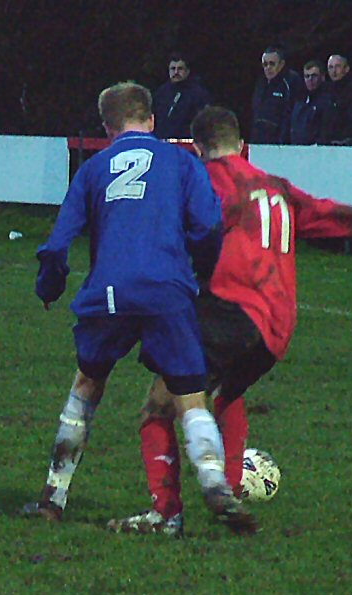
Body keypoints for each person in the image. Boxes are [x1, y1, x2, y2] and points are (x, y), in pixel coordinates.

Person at [108, 105, 352, 537]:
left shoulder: (208, 180)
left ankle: (167, 512)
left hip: (231, 311)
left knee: (158, 405)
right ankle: (233, 485)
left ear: (200, 148)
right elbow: (328, 215)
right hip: (278, 329)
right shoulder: (277, 187)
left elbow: (186, 233)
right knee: (225, 396)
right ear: (242, 144)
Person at [22, 82, 251, 530]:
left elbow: (57, 243)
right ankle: (215, 486)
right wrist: (201, 271)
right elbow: (208, 225)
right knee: (188, 390)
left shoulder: (93, 169)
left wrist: (49, 286)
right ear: (151, 121)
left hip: (108, 291)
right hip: (166, 288)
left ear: (108, 128)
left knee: (87, 384)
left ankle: (54, 496)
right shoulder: (182, 162)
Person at [250, 46, 304, 144]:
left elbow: (292, 113)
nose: (268, 68)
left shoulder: (290, 81)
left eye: (272, 64)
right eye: (265, 64)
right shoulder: (261, 83)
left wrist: (284, 140)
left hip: (280, 141)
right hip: (259, 139)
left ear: (281, 64)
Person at [153, 51, 211, 139]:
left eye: (180, 69)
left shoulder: (198, 94)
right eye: (173, 69)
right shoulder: (161, 93)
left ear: (187, 71)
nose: (176, 72)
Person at [290, 59, 333, 145]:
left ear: (322, 77)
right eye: (307, 76)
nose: (310, 79)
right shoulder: (300, 100)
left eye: (314, 76)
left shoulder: (329, 100)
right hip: (297, 149)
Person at [322, 54, 352, 145]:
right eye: (330, 67)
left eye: (337, 66)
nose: (334, 71)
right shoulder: (325, 91)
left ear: (346, 69)